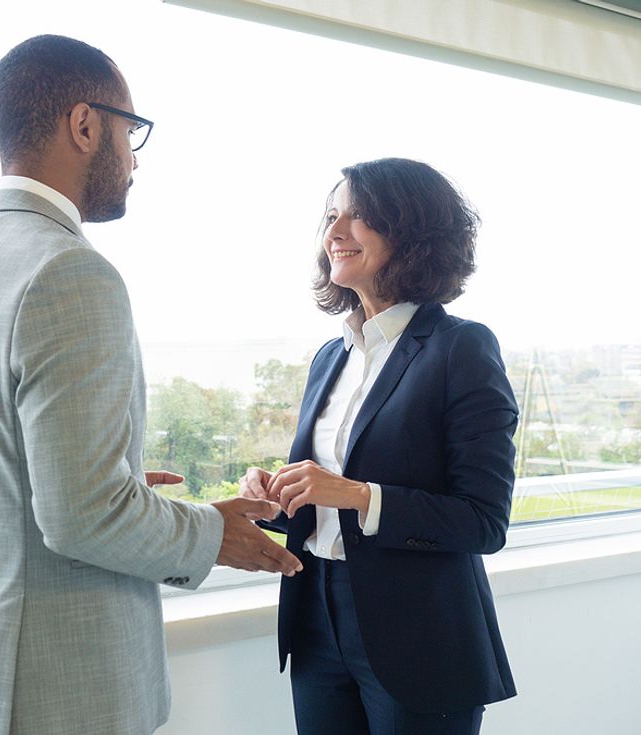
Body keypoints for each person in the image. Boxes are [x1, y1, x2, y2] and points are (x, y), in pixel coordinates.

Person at [0, 34, 301, 735]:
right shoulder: (67, 272)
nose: (134, 156)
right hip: (54, 696)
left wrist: (91, 479)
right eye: (130, 130)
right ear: (85, 125)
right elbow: (82, 516)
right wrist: (211, 532)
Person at [240, 158, 518, 735]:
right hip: (315, 614)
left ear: (413, 231)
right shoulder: (330, 356)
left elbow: (484, 522)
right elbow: (328, 499)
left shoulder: (459, 348)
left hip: (420, 636)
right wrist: (276, 498)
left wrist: (358, 495)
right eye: (330, 216)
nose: (334, 233)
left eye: (359, 216)